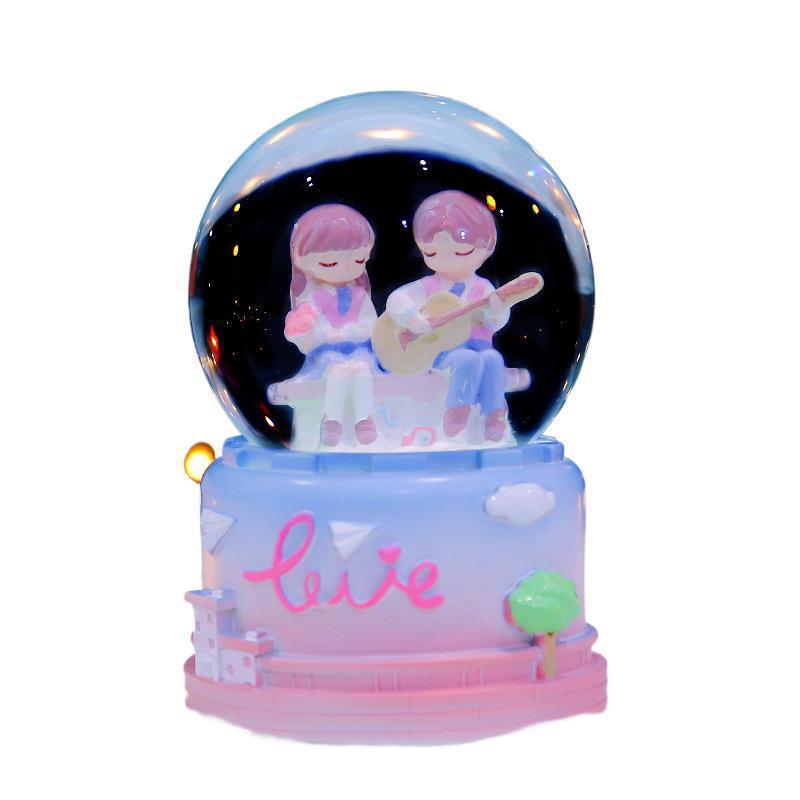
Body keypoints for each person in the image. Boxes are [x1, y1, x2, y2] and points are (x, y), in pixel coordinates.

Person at [385, 190, 510, 441]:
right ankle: (457, 409)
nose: (446, 258)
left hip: (480, 347)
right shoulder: (427, 287)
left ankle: (494, 414)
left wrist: (496, 310)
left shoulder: (483, 289)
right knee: (466, 359)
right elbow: (396, 301)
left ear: (487, 246)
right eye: (431, 252)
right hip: (440, 354)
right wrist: (413, 319)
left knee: (493, 359)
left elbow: (496, 321)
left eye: (461, 252)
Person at [284, 204, 379, 446]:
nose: (346, 268)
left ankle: (364, 419)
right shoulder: (312, 299)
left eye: (358, 259)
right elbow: (304, 335)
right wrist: (319, 333)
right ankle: (332, 420)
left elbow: (372, 325)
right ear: (300, 259)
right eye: (329, 263)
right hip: (325, 355)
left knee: (361, 370)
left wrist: (354, 331)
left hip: (358, 351)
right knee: (337, 371)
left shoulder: (360, 296)